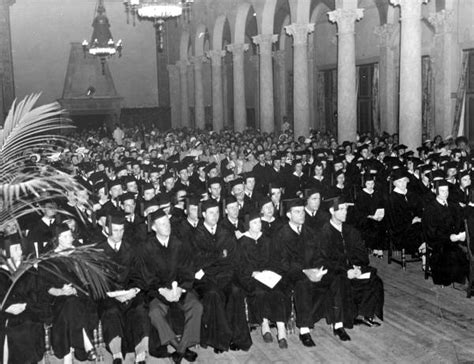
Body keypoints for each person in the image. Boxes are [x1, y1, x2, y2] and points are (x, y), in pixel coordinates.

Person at [273, 199, 354, 346]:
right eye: (297, 212)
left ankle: (338, 324)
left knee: (335, 278)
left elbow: (319, 255)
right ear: (288, 215)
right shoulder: (282, 234)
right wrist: (305, 271)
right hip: (292, 274)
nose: (302, 215)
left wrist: (318, 270)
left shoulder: (310, 232)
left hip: (313, 271)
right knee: (303, 284)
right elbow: (284, 263)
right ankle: (304, 330)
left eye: (303, 211)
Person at [134, 209, 202, 364]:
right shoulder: (146, 248)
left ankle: (181, 348)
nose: (167, 226)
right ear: (154, 228)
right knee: (155, 313)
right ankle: (179, 346)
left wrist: (180, 289)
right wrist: (163, 291)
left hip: (181, 290)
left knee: (196, 307)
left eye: (168, 222)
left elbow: (188, 270)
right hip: (159, 292)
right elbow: (147, 276)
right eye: (162, 224)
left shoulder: (180, 243)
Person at [191, 199, 251, 353]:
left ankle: (236, 338)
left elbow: (232, 258)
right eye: (211, 212)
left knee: (236, 292)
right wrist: (218, 256)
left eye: (217, 212)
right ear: (203, 214)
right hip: (206, 281)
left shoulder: (225, 233)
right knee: (213, 294)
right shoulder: (196, 235)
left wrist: (215, 261)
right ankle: (220, 341)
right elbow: (198, 261)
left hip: (225, 275)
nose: (215, 216)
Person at [39, 224, 99, 363]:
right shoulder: (50, 259)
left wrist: (74, 290)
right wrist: (61, 292)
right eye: (64, 236)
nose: (69, 239)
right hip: (58, 300)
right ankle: (87, 345)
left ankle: (67, 356)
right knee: (69, 305)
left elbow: (89, 281)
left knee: (72, 304)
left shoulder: (79, 255)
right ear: (57, 239)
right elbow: (45, 286)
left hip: (80, 297)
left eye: (70, 235)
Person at [320, 196, 384, 328]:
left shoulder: (351, 231)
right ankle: (347, 316)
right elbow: (327, 259)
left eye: (346, 209)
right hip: (335, 270)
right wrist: (346, 269)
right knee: (341, 280)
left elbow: (362, 253)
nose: (345, 212)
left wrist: (357, 266)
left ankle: (364, 314)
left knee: (374, 278)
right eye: (341, 209)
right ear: (332, 211)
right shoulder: (324, 232)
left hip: (354, 267)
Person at [96, 215, 149, 364]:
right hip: (108, 294)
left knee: (140, 309)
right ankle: (117, 354)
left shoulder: (131, 249)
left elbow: (138, 274)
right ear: (106, 230)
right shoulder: (99, 250)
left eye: (121, 230)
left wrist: (134, 290)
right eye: (115, 230)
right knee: (110, 312)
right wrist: (114, 294)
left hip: (130, 292)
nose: (119, 234)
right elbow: (97, 280)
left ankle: (140, 353)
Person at [238, 210, 290, 349]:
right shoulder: (242, 242)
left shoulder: (267, 239)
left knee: (278, 292)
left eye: (259, 222)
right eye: (255, 223)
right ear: (248, 225)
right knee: (260, 292)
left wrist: (270, 271)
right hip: (252, 278)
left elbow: (275, 260)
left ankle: (281, 330)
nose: (258, 225)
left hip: (268, 275)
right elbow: (240, 264)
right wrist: (252, 272)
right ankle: (265, 324)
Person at [0, 236, 45, 364]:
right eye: (15, 249)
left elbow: (37, 293)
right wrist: (7, 307)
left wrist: (25, 305)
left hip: (28, 310)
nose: (20, 252)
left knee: (27, 326)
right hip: (5, 313)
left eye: (20, 248)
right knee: (9, 330)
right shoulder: (1, 273)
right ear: (5, 252)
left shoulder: (28, 270)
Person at [422, 180, 469, 286]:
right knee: (452, 254)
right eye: (442, 191)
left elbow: (460, 222)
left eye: (447, 191)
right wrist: (449, 237)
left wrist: (460, 234)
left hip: (454, 239)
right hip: (438, 242)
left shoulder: (453, 206)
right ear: (436, 192)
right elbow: (431, 232)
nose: (445, 193)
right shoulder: (430, 209)